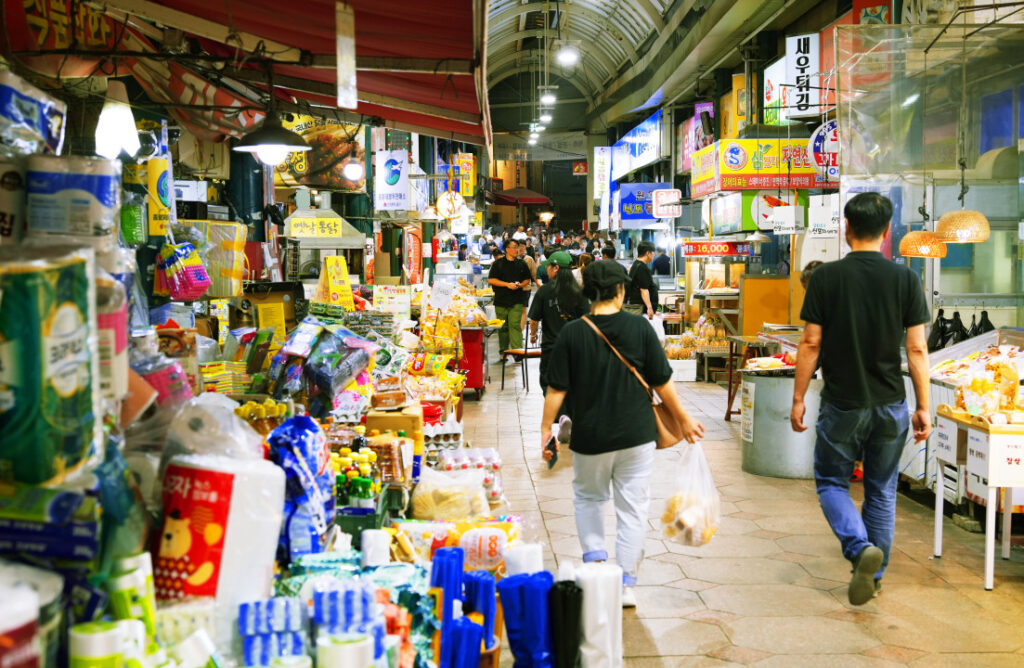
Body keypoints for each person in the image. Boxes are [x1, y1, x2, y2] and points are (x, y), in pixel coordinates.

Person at [790, 192, 931, 606]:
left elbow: (811, 343)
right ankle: (875, 574)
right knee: (882, 491)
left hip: (843, 403)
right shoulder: (906, 279)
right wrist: (923, 405)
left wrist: (798, 397)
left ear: (845, 228)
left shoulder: (826, 279)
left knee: (832, 481)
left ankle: (858, 550)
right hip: (891, 403)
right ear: (887, 233)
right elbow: (917, 350)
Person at [541, 260, 704, 608]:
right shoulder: (640, 328)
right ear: (620, 290)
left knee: (588, 499)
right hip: (636, 435)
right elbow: (662, 381)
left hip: (590, 438)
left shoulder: (572, 332)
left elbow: (556, 389)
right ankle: (626, 584)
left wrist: (546, 429)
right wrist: (685, 420)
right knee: (632, 508)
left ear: (588, 292)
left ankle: (597, 568)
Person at [528, 251, 589, 392]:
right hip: (576, 349)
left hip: (552, 349)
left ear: (555, 268)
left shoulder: (544, 292)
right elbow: (587, 320)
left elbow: (534, 319)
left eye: (548, 266)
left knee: (550, 386)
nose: (546, 269)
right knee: (574, 387)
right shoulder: (579, 291)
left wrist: (533, 335)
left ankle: (557, 413)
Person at [488, 239, 533, 357]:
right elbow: (491, 280)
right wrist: (507, 284)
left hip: (517, 299)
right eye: (514, 247)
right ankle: (503, 351)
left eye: (517, 247)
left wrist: (520, 285)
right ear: (507, 249)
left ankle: (517, 352)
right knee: (503, 327)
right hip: (501, 300)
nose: (517, 250)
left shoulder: (521, 263)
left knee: (515, 325)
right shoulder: (498, 264)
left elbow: (527, 279)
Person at [625, 241, 657, 318]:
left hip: (637, 306)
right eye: (653, 252)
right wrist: (649, 307)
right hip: (640, 308)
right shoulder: (641, 268)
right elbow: (644, 290)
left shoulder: (636, 264)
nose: (654, 254)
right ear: (647, 253)